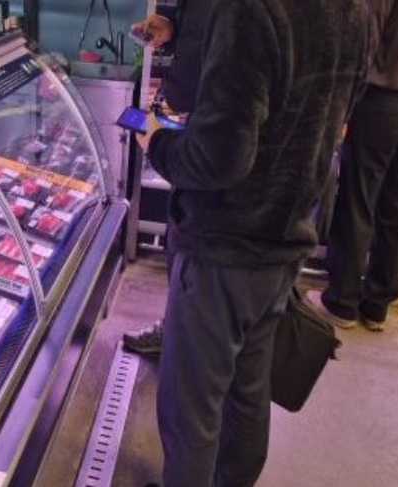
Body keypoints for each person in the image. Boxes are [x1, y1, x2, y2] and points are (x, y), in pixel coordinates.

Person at [136, 0, 368, 485]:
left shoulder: (247, 10)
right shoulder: (356, 8)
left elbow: (218, 159)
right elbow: (342, 110)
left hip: (223, 241)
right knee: (248, 390)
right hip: (287, 235)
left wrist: (156, 141)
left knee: (191, 407)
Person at [306, 0, 398, 333]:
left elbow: (367, 38)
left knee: (358, 203)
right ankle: (378, 305)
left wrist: (344, 106)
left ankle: (342, 302)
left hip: (382, 100)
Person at [123, 0, 209, 355]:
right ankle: (176, 328)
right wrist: (171, 26)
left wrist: (157, 142)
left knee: (196, 251)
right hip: (196, 122)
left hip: (217, 151)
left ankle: (182, 343)